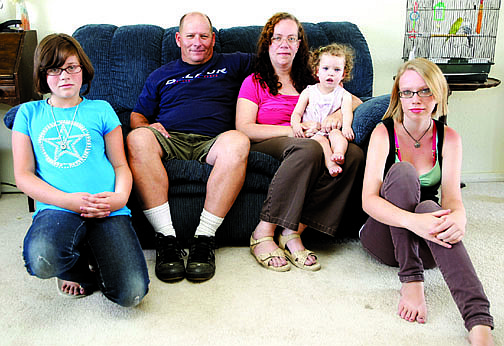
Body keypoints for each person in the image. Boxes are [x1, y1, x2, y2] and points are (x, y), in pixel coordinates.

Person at [360, 58, 493, 344]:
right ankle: (411, 279)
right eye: (407, 92)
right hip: (384, 236)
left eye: (425, 91)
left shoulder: (450, 138)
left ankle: (479, 322)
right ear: (399, 96)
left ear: (438, 94)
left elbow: (453, 200)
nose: (416, 99)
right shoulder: (384, 132)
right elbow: (368, 201)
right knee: (404, 173)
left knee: (432, 208)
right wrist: (413, 222)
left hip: (427, 242)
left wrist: (459, 217)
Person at [12, 33, 149, 306]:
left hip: (106, 207)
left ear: (83, 70)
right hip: (57, 208)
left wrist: (120, 198)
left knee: (132, 294)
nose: (64, 75)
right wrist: (69, 201)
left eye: (71, 67)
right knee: (42, 259)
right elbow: (23, 175)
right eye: (54, 68)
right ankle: (75, 270)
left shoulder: (101, 109)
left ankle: (91, 251)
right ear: (43, 74)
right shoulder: (27, 114)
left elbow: (120, 164)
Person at [127, 12, 253, 282]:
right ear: (178, 39)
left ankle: (204, 239)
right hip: (170, 139)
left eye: (204, 36)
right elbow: (137, 115)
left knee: (239, 141)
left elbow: (276, 64)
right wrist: (146, 127)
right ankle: (166, 241)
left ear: (213, 38)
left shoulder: (233, 63)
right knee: (136, 137)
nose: (197, 42)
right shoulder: (161, 75)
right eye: (190, 36)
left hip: (214, 141)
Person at [236, 12, 364, 272]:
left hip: (314, 140)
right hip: (273, 140)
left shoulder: (315, 78)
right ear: (267, 44)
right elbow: (245, 128)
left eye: (291, 38)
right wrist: (292, 130)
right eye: (278, 38)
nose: (285, 44)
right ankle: (263, 231)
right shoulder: (254, 83)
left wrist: (339, 114)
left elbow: (357, 102)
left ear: (299, 45)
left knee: (354, 155)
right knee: (308, 148)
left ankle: (293, 231)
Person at [291, 43, 355, 177]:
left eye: (337, 70)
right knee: (322, 142)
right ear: (317, 71)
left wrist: (347, 127)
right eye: (325, 68)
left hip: (331, 130)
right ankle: (330, 163)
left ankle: (339, 153)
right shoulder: (308, 92)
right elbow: (297, 113)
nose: (331, 73)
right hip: (313, 133)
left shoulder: (344, 95)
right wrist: (296, 125)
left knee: (338, 136)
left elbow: (347, 113)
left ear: (344, 74)